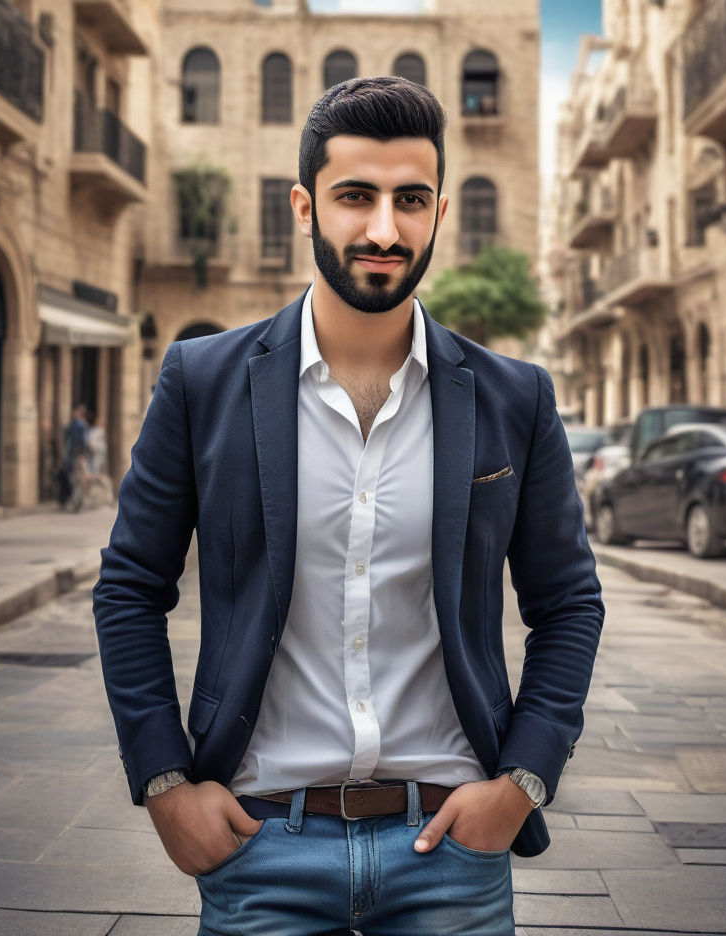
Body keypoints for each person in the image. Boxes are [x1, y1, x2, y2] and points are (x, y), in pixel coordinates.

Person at [93, 77, 604, 935]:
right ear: (304, 207)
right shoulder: (201, 382)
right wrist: (164, 784)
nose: (382, 229)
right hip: (262, 844)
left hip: (449, 849)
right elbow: (131, 586)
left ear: (439, 210)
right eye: (354, 197)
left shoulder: (517, 398)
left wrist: (520, 786)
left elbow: (568, 603)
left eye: (410, 200)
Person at [60, 404, 90, 510]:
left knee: (78, 479)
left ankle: (77, 501)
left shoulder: (81, 425)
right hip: (72, 455)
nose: (74, 414)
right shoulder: (73, 425)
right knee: (74, 479)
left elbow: (83, 441)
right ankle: (74, 501)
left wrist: (82, 455)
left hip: (77, 455)